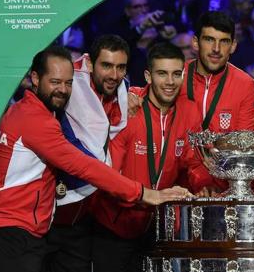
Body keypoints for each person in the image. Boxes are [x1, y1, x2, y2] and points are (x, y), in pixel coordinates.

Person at [0, 46, 189, 272]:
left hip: (22, 229)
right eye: (55, 82)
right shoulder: (35, 120)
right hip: (13, 230)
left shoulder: (32, 111)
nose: (63, 90)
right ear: (35, 78)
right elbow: (85, 167)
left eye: (69, 83)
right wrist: (145, 193)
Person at [90, 42, 215, 272]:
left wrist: (204, 184)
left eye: (176, 74)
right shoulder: (129, 110)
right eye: (162, 74)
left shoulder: (190, 111)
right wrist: (148, 196)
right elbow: (109, 177)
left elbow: (193, 161)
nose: (169, 82)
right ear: (148, 76)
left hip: (154, 230)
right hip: (112, 228)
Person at [44, 35, 131, 272]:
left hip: (86, 216)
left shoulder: (123, 91)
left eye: (120, 67)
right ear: (90, 64)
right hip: (50, 211)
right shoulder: (68, 86)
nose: (114, 75)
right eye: (106, 65)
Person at [183, 11, 254, 133]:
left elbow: (243, 142)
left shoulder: (245, 84)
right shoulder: (176, 76)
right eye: (209, 40)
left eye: (224, 41)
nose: (216, 49)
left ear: (233, 46)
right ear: (196, 42)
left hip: (224, 152)